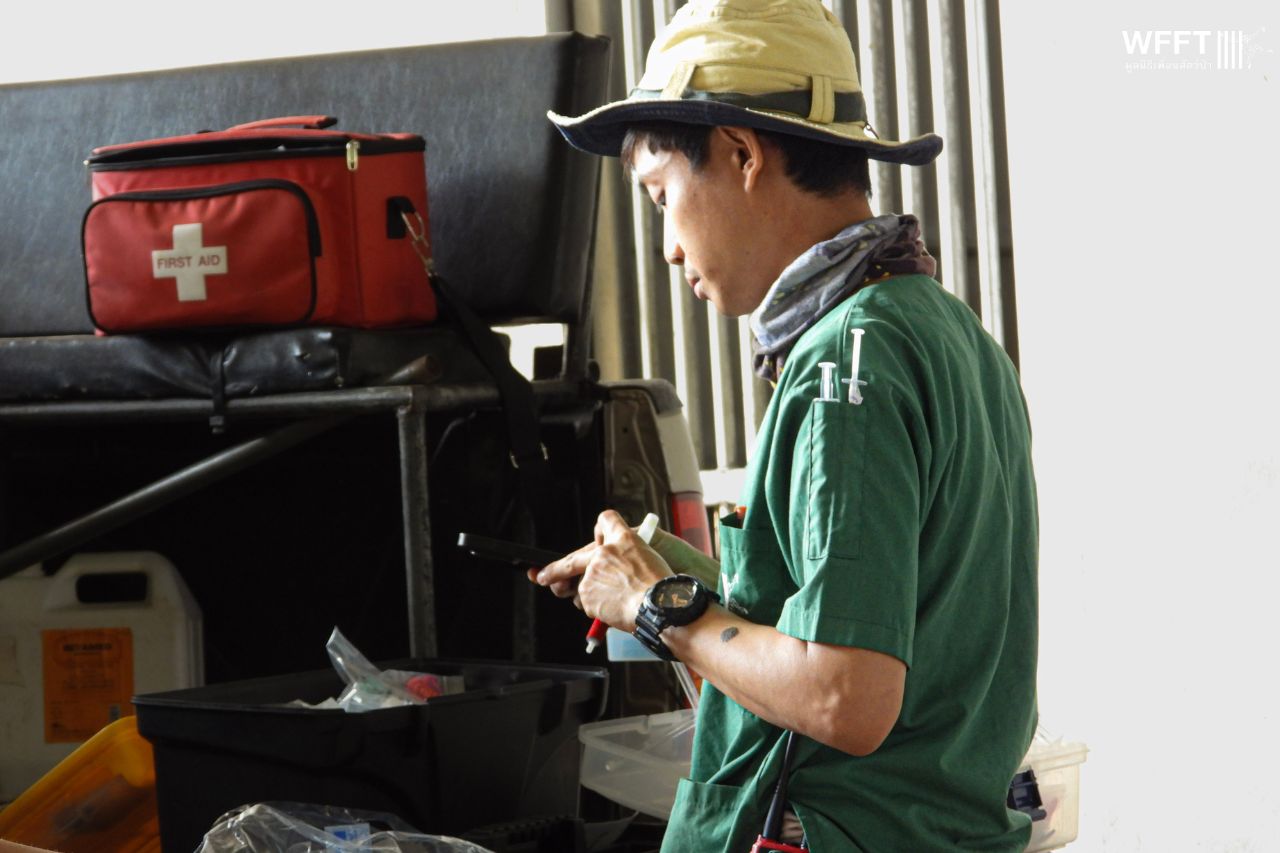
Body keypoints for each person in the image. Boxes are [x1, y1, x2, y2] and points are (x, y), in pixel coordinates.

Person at [533, 1, 1039, 850]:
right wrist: (678, 573)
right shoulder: (944, 330)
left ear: (741, 153)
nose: (667, 246)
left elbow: (844, 696)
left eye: (661, 195)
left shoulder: (846, 363)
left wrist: (657, 605)